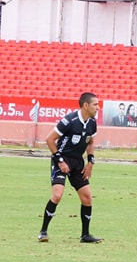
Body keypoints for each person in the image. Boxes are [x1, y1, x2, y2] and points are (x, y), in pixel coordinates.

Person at [38, 92, 102, 243]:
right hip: (62, 159)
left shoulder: (92, 122)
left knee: (87, 198)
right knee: (57, 195)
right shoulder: (69, 121)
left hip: (77, 162)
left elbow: (91, 142)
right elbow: (50, 140)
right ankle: (43, 231)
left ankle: (85, 235)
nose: (98, 108)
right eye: (95, 104)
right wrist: (60, 161)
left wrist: (90, 162)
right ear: (86, 105)